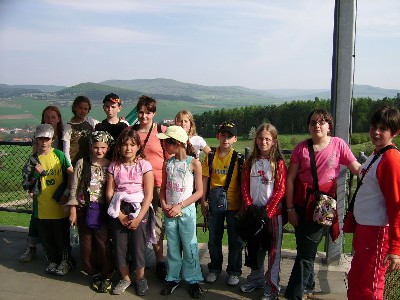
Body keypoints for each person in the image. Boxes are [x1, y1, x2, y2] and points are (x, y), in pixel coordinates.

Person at [284, 109, 360, 300]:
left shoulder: (338, 145)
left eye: (321, 122)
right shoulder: (301, 149)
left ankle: (295, 293)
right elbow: (290, 179)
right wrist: (290, 208)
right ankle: (307, 286)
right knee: (306, 248)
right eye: (313, 122)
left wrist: (379, 168)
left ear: (329, 126)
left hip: (323, 206)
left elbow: (356, 167)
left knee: (306, 251)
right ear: (308, 126)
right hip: (302, 204)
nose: (317, 125)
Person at [347, 106, 400, 300]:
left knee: (370, 285)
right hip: (366, 230)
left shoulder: (391, 160)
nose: (376, 132)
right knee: (357, 279)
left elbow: (396, 206)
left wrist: (395, 248)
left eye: (383, 128)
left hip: (378, 232)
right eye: (373, 126)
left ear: (394, 132)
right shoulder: (377, 155)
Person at [240, 123, 287, 300]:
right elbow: (244, 185)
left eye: (267, 139)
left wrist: (268, 212)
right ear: (256, 140)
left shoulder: (279, 163)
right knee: (254, 248)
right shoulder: (250, 161)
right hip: (254, 213)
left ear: (274, 141)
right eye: (260, 138)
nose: (263, 142)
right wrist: (250, 206)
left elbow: (280, 189)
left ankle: (272, 285)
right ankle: (256, 278)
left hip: (273, 215)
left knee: (273, 251)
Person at [106, 127, 154, 296]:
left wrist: (139, 218)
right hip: (118, 208)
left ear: (138, 147)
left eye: (132, 145)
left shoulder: (144, 165)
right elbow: (110, 193)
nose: (128, 148)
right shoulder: (114, 166)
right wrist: (119, 215)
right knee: (120, 246)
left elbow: (148, 195)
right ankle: (125, 278)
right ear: (119, 147)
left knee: (138, 246)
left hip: (139, 208)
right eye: (125, 144)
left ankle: (141, 279)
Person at [157, 126, 204, 298]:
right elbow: (163, 188)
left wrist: (180, 205)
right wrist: (164, 203)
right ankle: (173, 277)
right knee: (173, 246)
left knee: (190, 245)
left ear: (176, 143)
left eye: (166, 142)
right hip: (170, 212)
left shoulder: (194, 163)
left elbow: (199, 191)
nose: (164, 145)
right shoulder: (167, 163)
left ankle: (193, 279)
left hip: (186, 211)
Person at [65, 131, 115, 293]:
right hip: (84, 208)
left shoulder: (111, 165)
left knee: (103, 243)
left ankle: (106, 273)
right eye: (96, 147)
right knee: (86, 244)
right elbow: (74, 187)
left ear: (108, 148)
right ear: (90, 147)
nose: (99, 151)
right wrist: (72, 209)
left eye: (102, 147)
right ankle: (93, 272)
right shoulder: (82, 163)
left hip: (103, 210)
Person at [22, 124, 74, 276]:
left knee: (61, 238)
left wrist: (67, 191)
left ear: (52, 139)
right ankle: (53, 261)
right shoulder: (32, 160)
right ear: (36, 140)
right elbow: (25, 183)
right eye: (41, 139)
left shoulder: (59, 155)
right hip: (42, 207)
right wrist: (36, 175)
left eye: (47, 139)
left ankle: (65, 262)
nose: (44, 142)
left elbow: (70, 173)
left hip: (59, 205)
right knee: (46, 238)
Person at [131, 95, 171, 279]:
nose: (144, 116)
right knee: (137, 222)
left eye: (148, 112)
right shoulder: (131, 132)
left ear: (154, 113)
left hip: (158, 185)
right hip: (135, 187)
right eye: (141, 112)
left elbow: (169, 159)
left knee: (157, 225)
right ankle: (137, 260)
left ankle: (159, 260)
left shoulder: (162, 132)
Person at [200, 121, 244, 286]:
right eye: (223, 135)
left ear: (235, 139)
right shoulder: (210, 157)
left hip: (234, 205)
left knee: (235, 240)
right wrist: (203, 201)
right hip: (214, 204)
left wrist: (243, 205)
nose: (226, 139)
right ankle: (215, 268)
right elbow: (204, 179)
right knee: (213, 239)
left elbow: (243, 183)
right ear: (218, 136)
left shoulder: (239, 158)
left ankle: (234, 271)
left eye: (229, 136)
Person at [19, 105, 65, 263]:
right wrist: (32, 182)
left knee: (59, 221)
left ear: (59, 118)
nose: (50, 119)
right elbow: (34, 162)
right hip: (43, 185)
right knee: (38, 217)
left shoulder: (63, 137)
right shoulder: (39, 138)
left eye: (53, 117)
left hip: (58, 181)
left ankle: (62, 255)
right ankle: (33, 247)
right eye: (47, 117)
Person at [63, 95, 99, 165]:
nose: (83, 111)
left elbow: (104, 124)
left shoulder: (90, 121)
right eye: (80, 108)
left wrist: (121, 120)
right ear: (75, 108)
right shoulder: (68, 127)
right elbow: (66, 151)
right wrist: (69, 167)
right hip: (74, 163)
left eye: (85, 109)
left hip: (89, 162)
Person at [95, 93, 129, 159]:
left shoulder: (124, 126)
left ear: (119, 108)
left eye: (113, 107)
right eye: (107, 106)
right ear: (103, 107)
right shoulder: (99, 126)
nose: (110, 109)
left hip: (120, 160)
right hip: (104, 160)